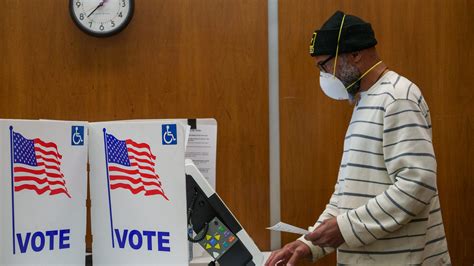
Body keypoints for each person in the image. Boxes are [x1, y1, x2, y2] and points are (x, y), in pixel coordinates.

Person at [266, 11, 451, 265]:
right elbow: (345, 195)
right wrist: (308, 243)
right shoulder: (364, 102)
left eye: (325, 65)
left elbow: (416, 185)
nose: (324, 75)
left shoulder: (397, 98)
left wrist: (344, 228)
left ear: (355, 55)